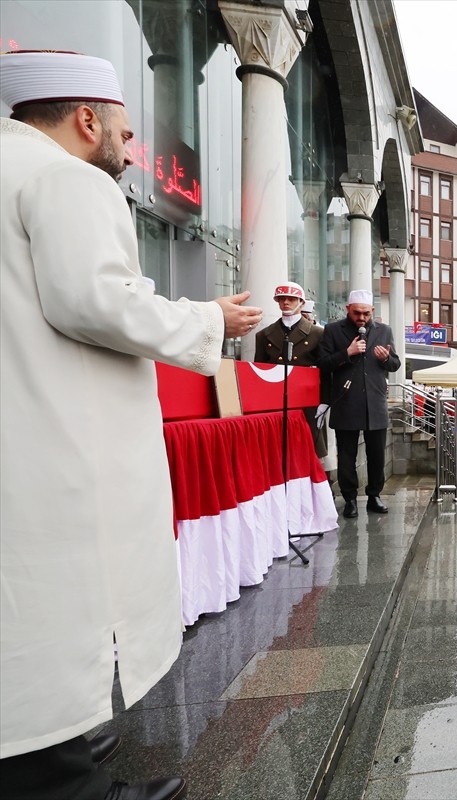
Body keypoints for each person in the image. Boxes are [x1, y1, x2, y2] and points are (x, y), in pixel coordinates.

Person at [0, 50, 262, 800]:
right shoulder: (66, 179)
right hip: (56, 444)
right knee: (60, 606)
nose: (127, 143)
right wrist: (208, 316)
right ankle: (59, 779)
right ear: (87, 121)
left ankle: (56, 742)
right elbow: (100, 301)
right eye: (121, 127)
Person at [317, 290, 400, 518]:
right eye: (357, 313)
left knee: (376, 455)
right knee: (346, 456)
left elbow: (395, 365)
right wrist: (347, 352)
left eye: (366, 313)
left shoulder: (384, 331)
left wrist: (386, 359)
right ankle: (350, 499)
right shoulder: (333, 331)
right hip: (346, 402)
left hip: (375, 403)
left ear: (372, 311)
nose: (361, 318)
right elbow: (323, 364)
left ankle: (374, 495)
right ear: (348, 310)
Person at [254, 282, 326, 457]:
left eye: (292, 299)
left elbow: (325, 370)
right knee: (277, 451)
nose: (286, 302)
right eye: (282, 299)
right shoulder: (264, 335)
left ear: (301, 303)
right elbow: (260, 371)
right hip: (276, 398)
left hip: (306, 399)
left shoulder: (317, 333)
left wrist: (325, 400)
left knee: (308, 450)